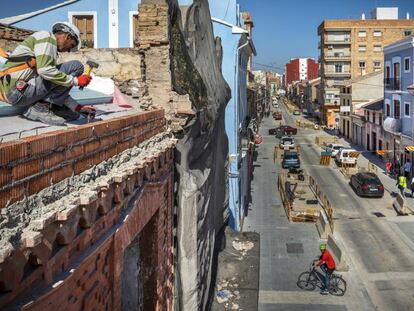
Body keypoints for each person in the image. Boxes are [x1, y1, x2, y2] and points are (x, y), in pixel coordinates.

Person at [0, 22, 96, 125]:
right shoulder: (47, 37)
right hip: (17, 91)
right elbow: (45, 71)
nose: (68, 50)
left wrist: (77, 107)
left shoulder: (46, 49)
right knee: (76, 66)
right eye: (71, 45)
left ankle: (54, 107)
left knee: (57, 76)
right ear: (68, 36)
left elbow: (55, 89)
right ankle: (40, 108)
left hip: (16, 92)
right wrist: (76, 81)